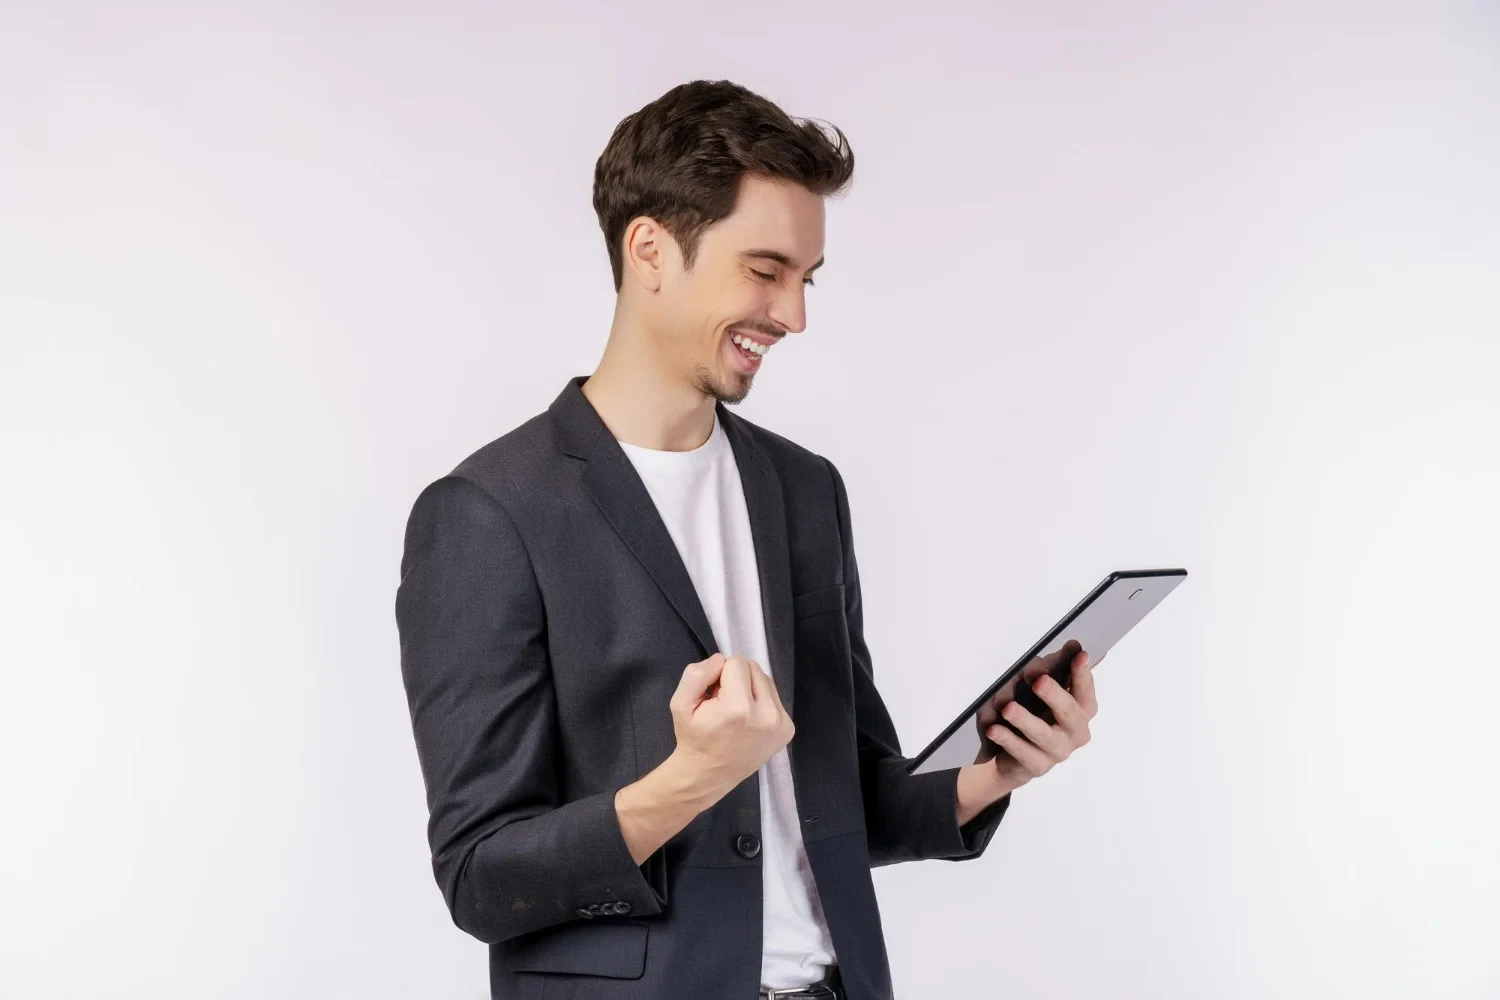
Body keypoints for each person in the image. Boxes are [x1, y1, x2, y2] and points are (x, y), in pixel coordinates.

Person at [394, 78, 1099, 1000]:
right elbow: (483, 878)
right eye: (765, 272)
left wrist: (987, 773)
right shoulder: (488, 513)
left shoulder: (805, 490)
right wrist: (690, 778)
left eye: (805, 281)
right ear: (649, 248)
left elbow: (837, 797)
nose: (794, 315)